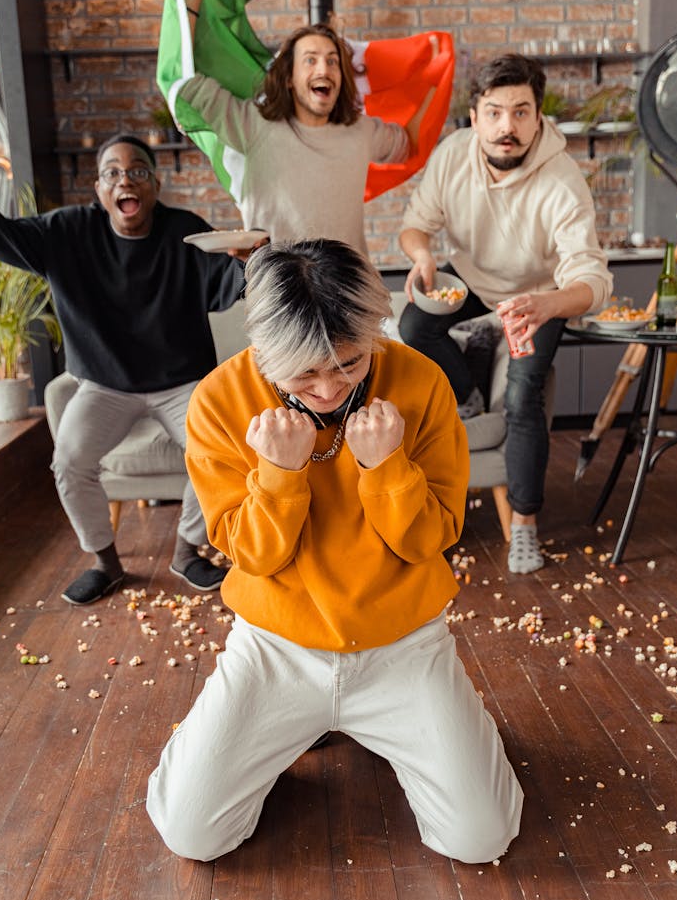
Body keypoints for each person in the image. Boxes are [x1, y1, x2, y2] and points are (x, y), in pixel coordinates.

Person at [146, 238, 523, 864]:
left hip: (403, 640)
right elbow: (253, 555)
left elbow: (432, 539)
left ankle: (406, 727)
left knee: (481, 840)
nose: (326, 388)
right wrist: (277, 474)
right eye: (303, 372)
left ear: (374, 331)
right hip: (276, 644)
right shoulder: (218, 400)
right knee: (193, 836)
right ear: (262, 349)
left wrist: (387, 467)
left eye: (347, 364)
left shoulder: (420, 382)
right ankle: (283, 733)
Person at [0, 134, 246, 604]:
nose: (126, 179)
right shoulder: (67, 232)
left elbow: (225, 284)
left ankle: (187, 552)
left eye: (138, 171)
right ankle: (105, 562)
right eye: (113, 173)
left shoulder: (184, 230)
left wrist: (249, 263)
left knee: (221, 452)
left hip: (181, 381)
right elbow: (0, 237)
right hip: (105, 385)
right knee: (70, 461)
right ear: (100, 189)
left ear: (155, 184)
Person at [397, 53, 613, 574]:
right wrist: (423, 256)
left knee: (521, 397)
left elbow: (594, 281)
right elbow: (415, 225)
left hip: (540, 295)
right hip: (471, 278)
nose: (506, 127)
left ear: (539, 116)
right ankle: (468, 394)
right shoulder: (453, 155)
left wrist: (548, 304)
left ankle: (524, 524)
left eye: (520, 112)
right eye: (494, 112)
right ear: (475, 117)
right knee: (414, 325)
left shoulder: (562, 181)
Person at [169, 0, 435, 256]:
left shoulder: (361, 131)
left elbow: (408, 144)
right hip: (279, 289)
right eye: (310, 59)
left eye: (332, 61)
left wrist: (434, 81)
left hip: (348, 291)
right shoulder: (252, 124)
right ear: (289, 80)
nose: (324, 68)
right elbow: (184, 82)